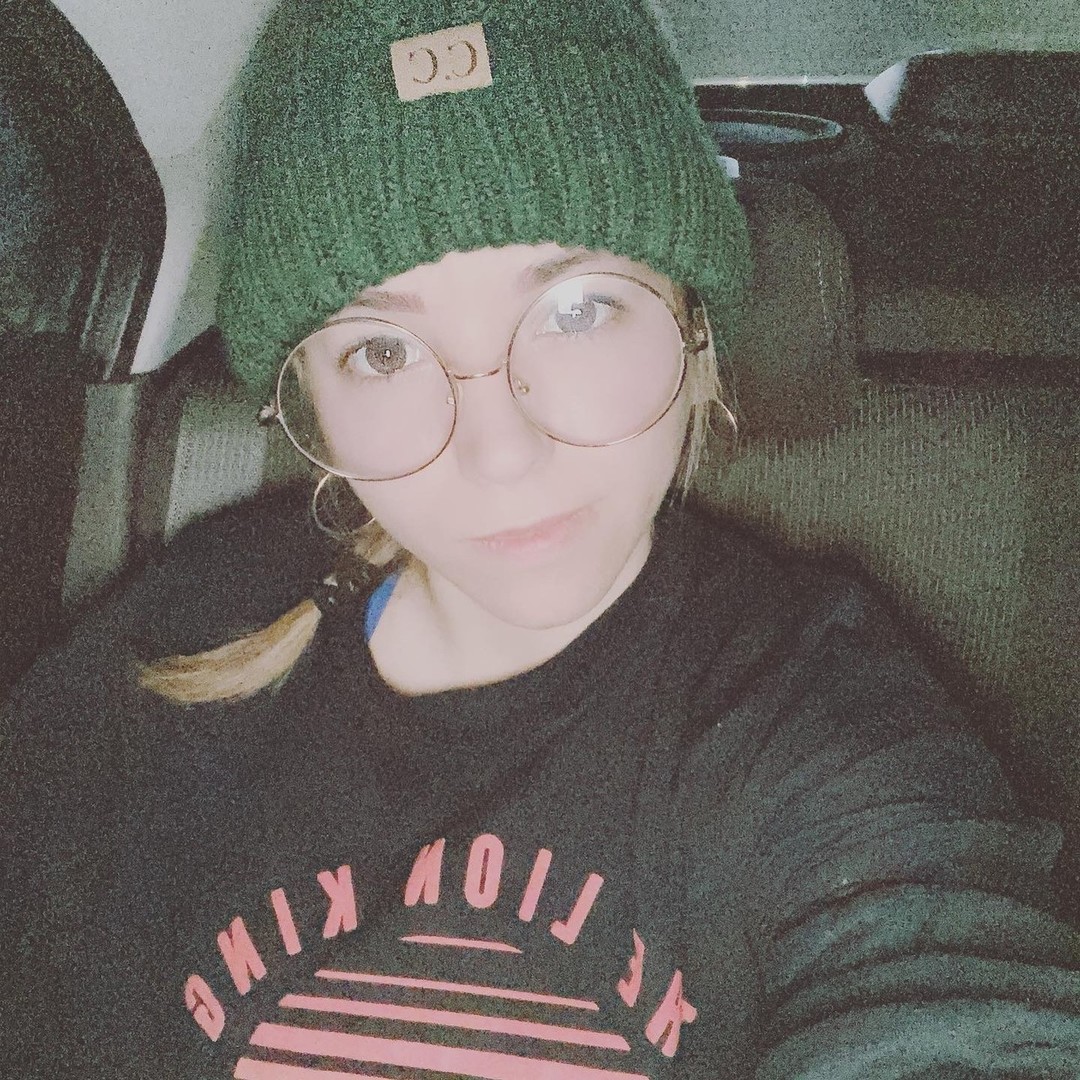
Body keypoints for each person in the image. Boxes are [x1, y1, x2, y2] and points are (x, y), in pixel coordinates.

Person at [3, 1, 1080, 1077]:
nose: (500, 451)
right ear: (311, 406)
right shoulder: (181, 635)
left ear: (693, 323)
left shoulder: (818, 722)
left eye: (577, 311)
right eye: (382, 351)